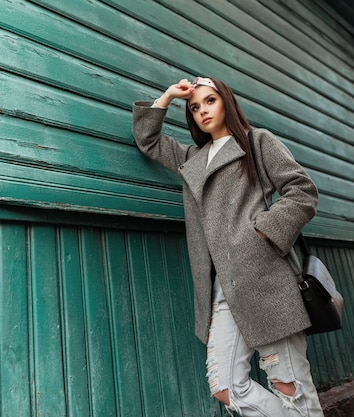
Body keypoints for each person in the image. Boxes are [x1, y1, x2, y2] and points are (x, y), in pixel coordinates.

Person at [132, 77, 324, 416]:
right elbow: (148, 141)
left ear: (227, 102)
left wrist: (261, 233)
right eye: (195, 107)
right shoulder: (192, 158)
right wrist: (169, 96)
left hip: (264, 279)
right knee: (224, 387)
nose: (202, 111)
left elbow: (302, 191)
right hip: (220, 289)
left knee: (290, 386)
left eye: (210, 101)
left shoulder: (257, 141)